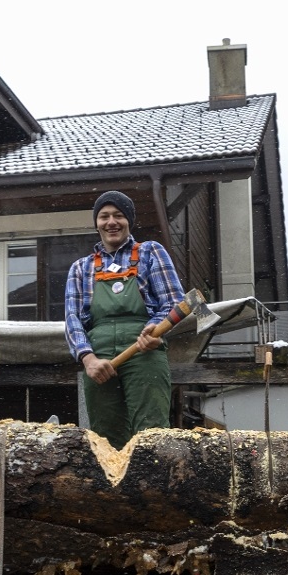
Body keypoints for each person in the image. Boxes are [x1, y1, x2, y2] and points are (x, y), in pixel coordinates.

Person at [64, 190, 185, 450]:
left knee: (152, 433)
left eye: (118, 215)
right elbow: (72, 319)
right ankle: (114, 489)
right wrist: (88, 359)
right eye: (104, 216)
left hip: (144, 350)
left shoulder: (150, 252)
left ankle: (153, 487)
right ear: (96, 223)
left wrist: (156, 329)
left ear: (129, 221)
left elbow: (175, 301)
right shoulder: (80, 268)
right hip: (100, 356)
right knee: (105, 438)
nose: (111, 222)